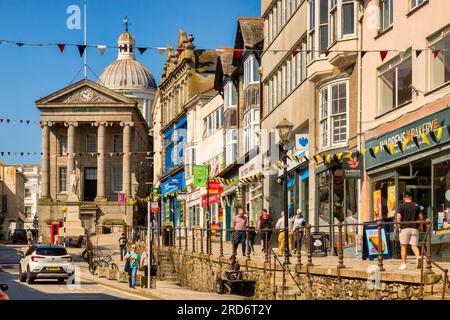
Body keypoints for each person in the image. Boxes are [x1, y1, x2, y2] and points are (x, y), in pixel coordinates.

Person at [397, 191, 423, 270]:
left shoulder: (401, 206)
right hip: (414, 228)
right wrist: (421, 226)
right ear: (411, 197)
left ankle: (404, 264)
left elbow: (398, 217)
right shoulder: (416, 205)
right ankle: (418, 256)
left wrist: (399, 226)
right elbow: (421, 217)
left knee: (403, 246)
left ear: (404, 197)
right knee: (414, 245)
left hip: (404, 228)